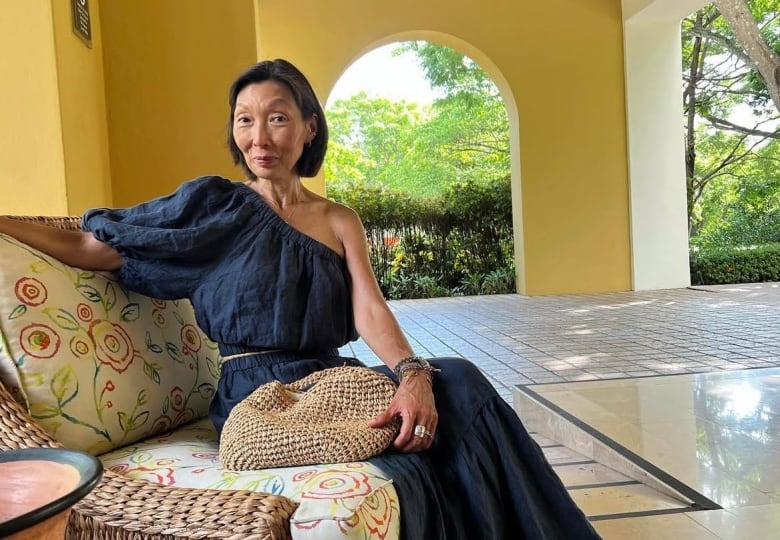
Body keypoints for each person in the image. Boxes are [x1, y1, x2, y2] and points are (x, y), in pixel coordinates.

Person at [0, 59, 601, 539]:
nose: (259, 136)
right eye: (244, 120)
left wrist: (412, 373)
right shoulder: (214, 207)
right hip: (258, 395)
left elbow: (369, 310)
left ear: (309, 126)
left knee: (457, 385)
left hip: (329, 380)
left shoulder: (339, 220)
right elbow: (90, 244)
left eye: (278, 118)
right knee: (431, 433)